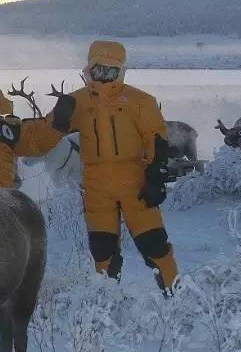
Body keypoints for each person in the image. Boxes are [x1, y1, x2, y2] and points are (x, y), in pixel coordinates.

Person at [48, 40, 179, 293]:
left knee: (155, 246)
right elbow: (46, 134)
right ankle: (105, 305)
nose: (104, 76)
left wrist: (156, 177)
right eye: (99, 70)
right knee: (102, 250)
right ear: (89, 69)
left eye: (110, 70)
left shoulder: (141, 101)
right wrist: (57, 118)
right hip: (96, 189)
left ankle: (176, 297)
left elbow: (156, 138)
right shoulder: (77, 101)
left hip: (136, 185)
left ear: (121, 70)